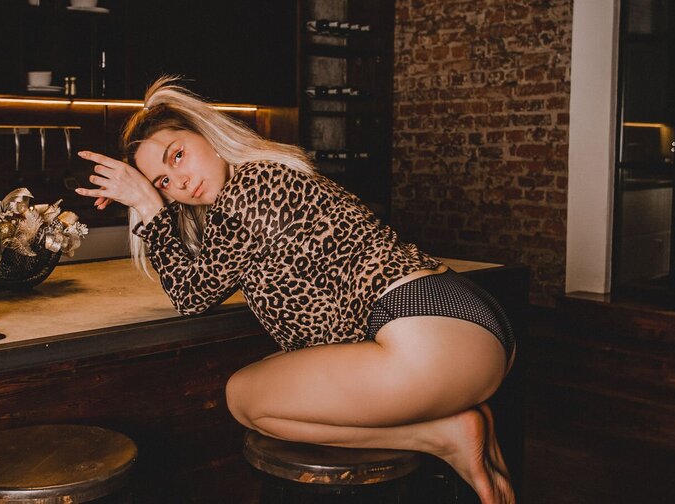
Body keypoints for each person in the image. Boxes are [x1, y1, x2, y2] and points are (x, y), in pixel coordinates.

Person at [75, 77, 516, 504]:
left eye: (177, 156)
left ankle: (442, 435)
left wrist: (148, 206)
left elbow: (190, 296)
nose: (181, 182)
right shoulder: (267, 177)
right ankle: (450, 430)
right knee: (269, 380)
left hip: (425, 335)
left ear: (207, 134)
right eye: (163, 183)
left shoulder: (249, 188)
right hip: (457, 321)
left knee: (244, 397)